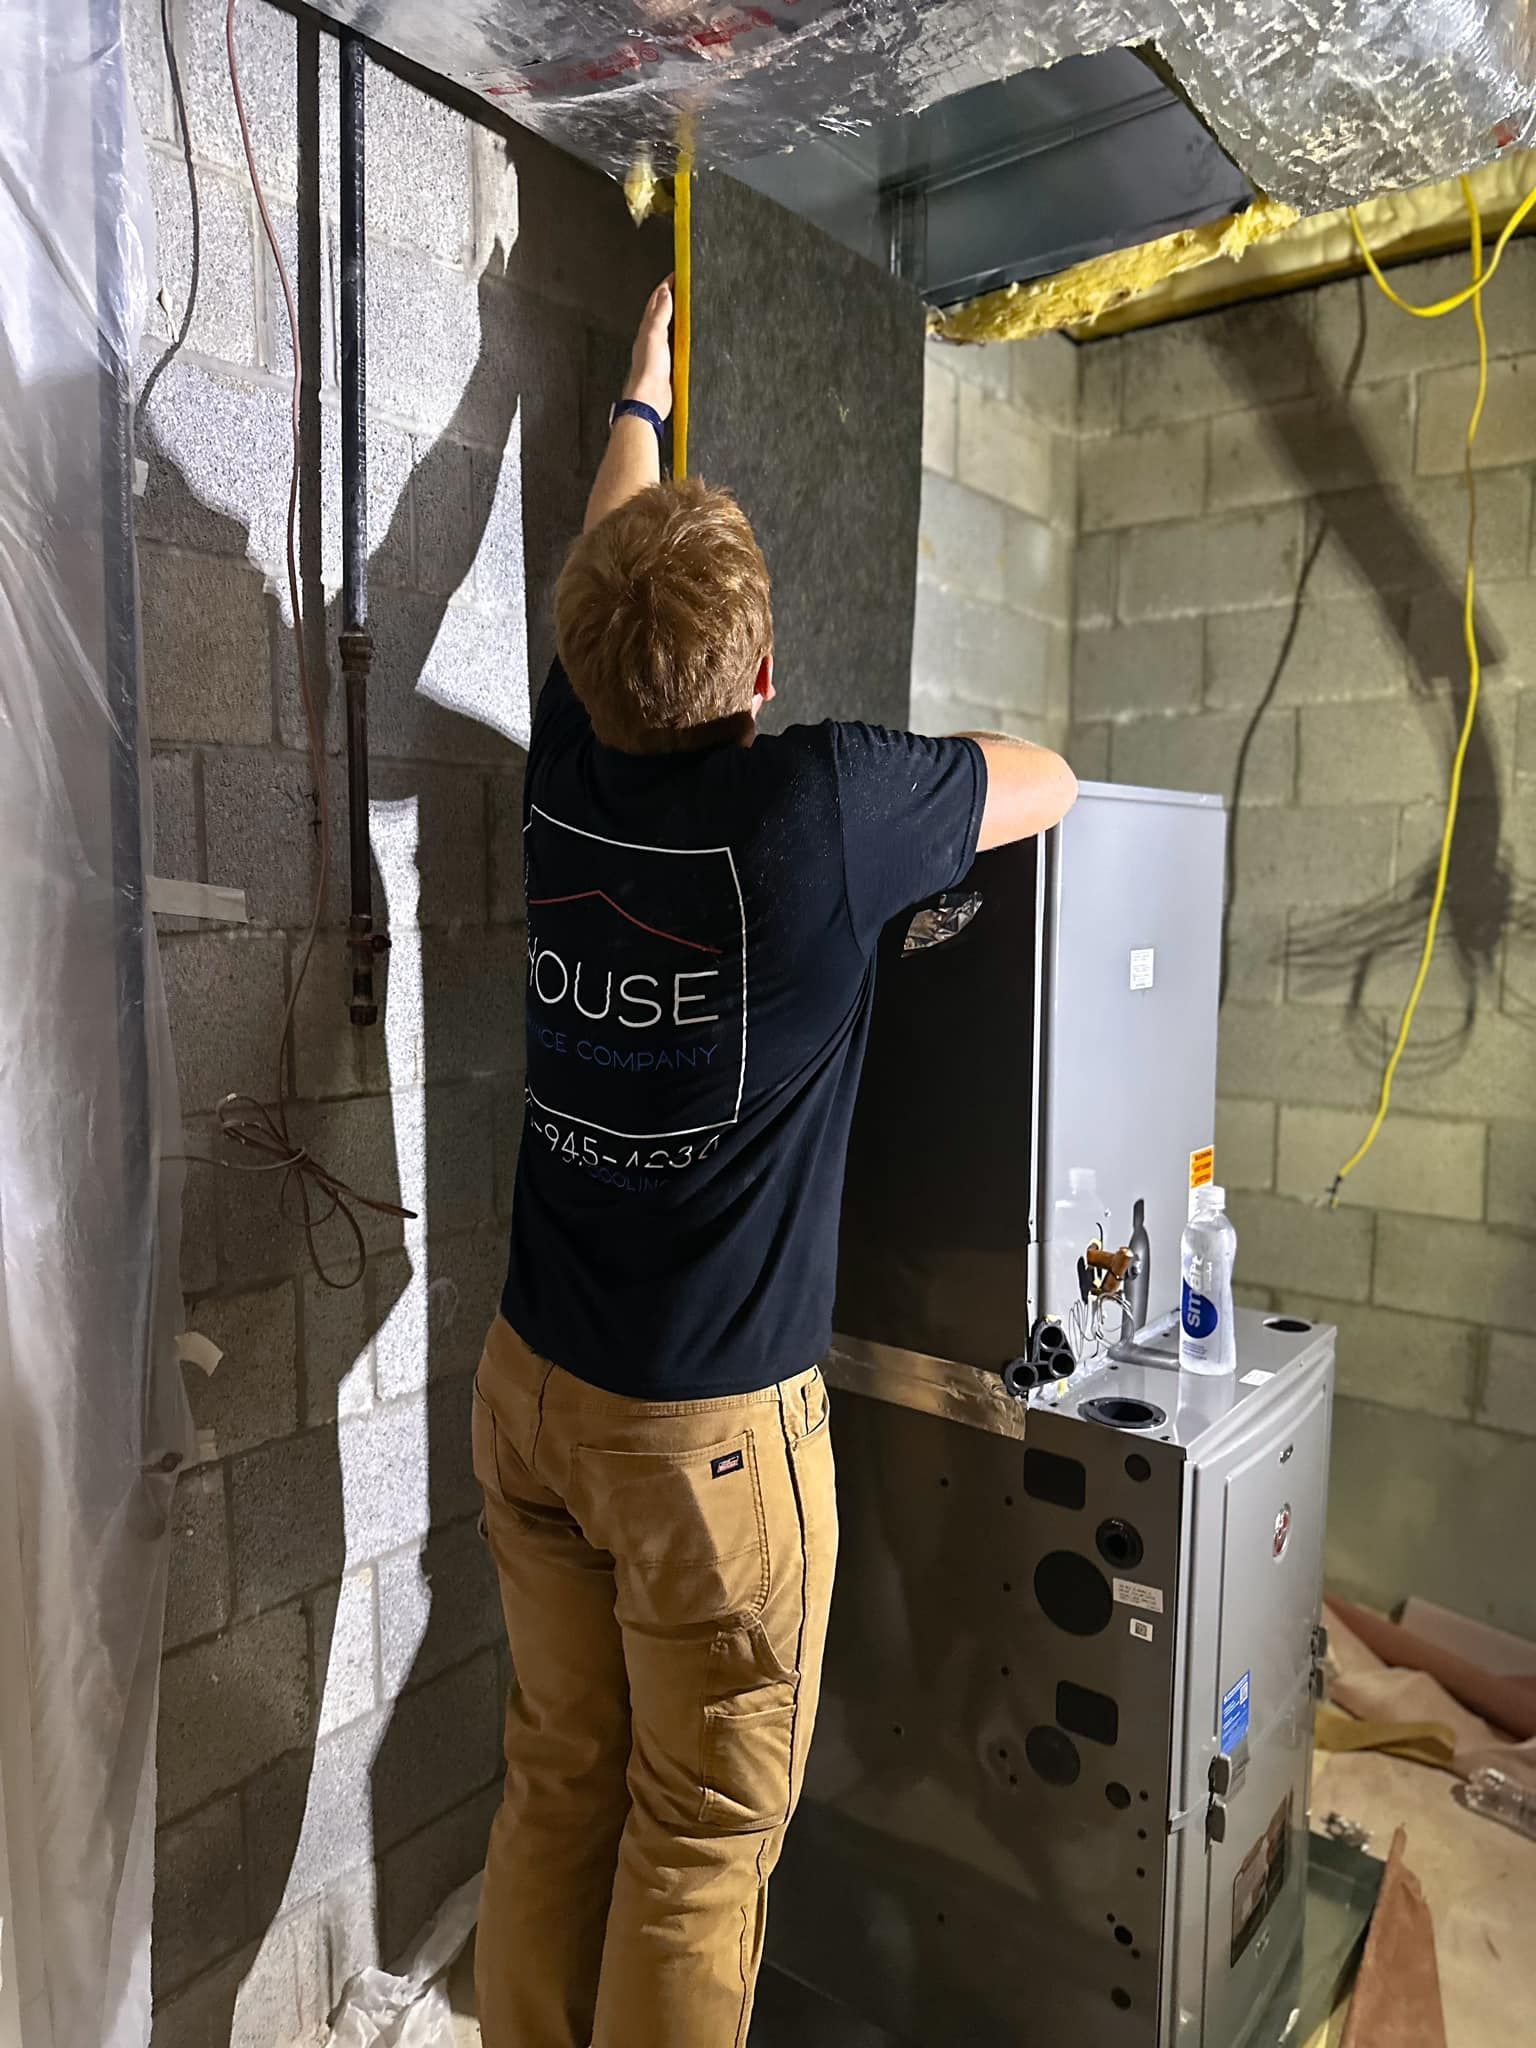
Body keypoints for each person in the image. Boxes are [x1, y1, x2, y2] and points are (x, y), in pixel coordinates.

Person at [471, 276, 1078, 2048]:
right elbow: (1050, 777)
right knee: (700, 1840)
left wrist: (640, 399)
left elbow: (603, 574)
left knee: (557, 1784)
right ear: (756, 675)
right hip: (704, 1455)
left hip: (529, 1393)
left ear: (586, 666)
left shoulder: (566, 763)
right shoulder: (818, 812)